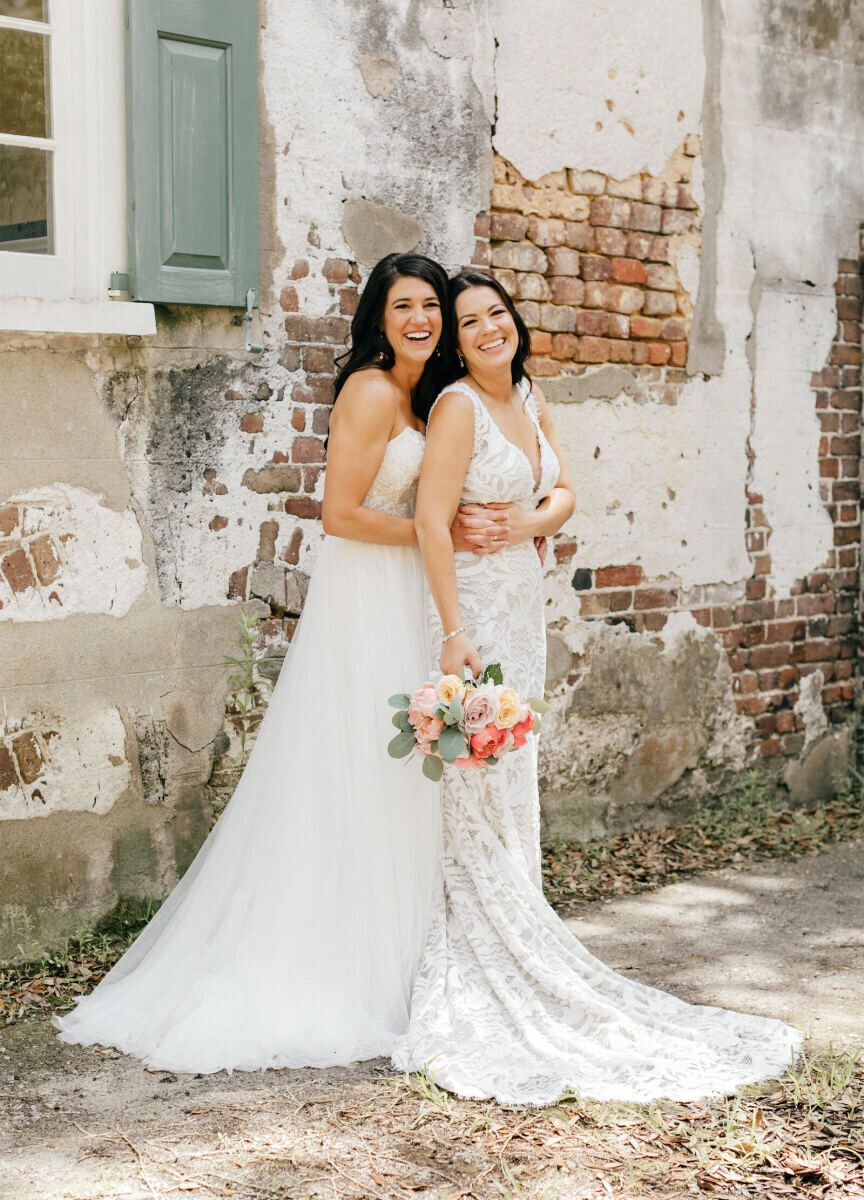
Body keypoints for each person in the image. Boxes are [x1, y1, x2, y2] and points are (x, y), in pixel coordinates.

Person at [54, 253, 508, 1073]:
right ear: (378, 317)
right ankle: (335, 963)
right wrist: (432, 532)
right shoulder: (372, 391)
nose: (423, 319)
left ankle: (403, 958)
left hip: (405, 592)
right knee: (357, 770)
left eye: (432, 306)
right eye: (404, 305)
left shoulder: (428, 396)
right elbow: (338, 515)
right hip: (366, 591)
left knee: (401, 781)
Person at [393, 269, 802, 1105]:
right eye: (467, 322)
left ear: (515, 323)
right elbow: (433, 522)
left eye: (494, 315)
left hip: (520, 603)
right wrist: (453, 634)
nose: (484, 331)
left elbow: (564, 492)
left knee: (515, 770)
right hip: (474, 612)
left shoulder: (531, 395)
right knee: (474, 782)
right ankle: (479, 941)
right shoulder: (457, 408)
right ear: (458, 342)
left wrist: (526, 522)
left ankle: (523, 922)